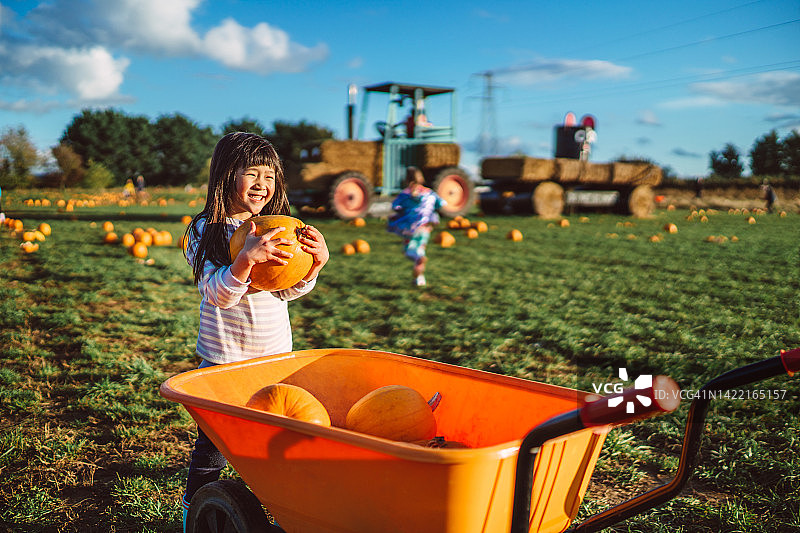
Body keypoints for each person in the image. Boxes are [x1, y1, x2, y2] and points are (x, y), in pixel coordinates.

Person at [180, 132, 329, 530]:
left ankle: (281, 510)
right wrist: (245, 260)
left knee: (274, 445)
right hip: (223, 362)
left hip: (273, 359)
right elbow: (218, 295)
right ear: (227, 176)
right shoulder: (205, 230)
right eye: (252, 174)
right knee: (214, 447)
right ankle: (194, 514)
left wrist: (313, 267)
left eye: (270, 175)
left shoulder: (278, 227)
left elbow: (288, 289)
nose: (263, 184)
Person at [387, 166, 446, 287]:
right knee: (420, 249)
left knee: (409, 251)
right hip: (425, 227)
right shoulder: (429, 193)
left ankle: (417, 259)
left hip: (409, 228)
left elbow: (395, 206)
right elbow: (442, 203)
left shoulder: (405, 194)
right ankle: (419, 279)